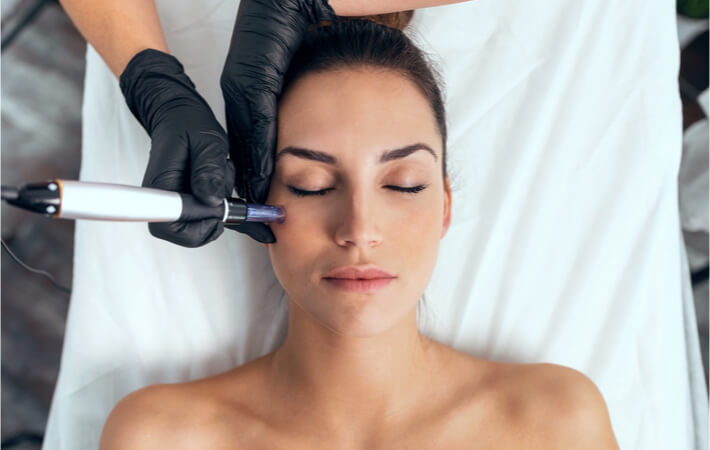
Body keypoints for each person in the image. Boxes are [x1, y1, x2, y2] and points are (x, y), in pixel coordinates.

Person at [98, 19, 619, 448]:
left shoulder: (555, 423)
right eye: (311, 185)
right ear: (253, 207)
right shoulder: (162, 436)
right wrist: (154, 83)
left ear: (444, 208)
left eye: (404, 184)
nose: (359, 229)